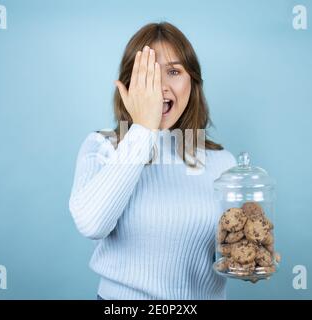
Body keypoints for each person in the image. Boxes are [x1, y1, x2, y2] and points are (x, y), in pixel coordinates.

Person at [69, 22, 237, 300]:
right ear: (128, 86)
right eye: (147, 73)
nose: (160, 87)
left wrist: (250, 261)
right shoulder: (101, 148)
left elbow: (232, 248)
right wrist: (143, 129)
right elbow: (91, 225)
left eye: (173, 71)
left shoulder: (222, 162)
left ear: (192, 83)